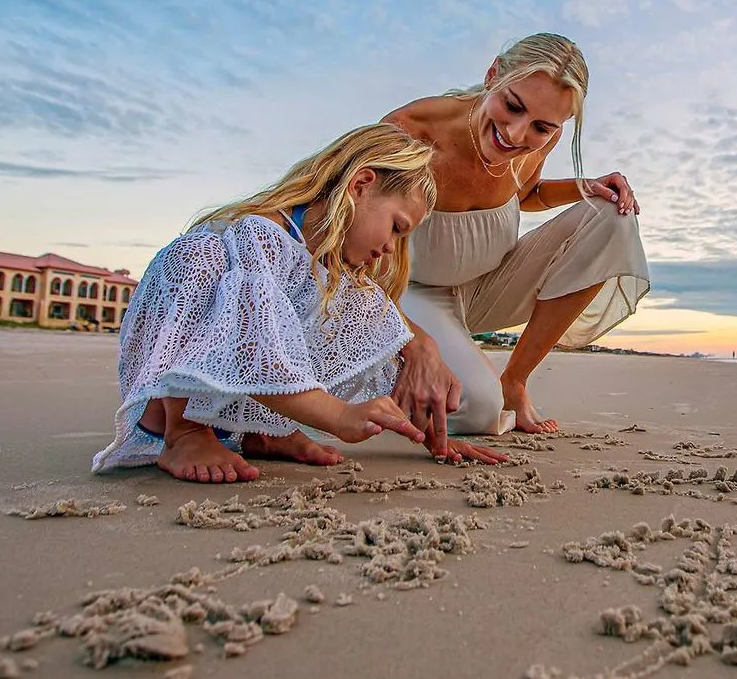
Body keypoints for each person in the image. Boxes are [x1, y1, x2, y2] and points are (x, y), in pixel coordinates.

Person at [92, 123, 506, 483]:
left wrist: (430, 435)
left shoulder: (325, 267)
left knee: (347, 309)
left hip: (232, 413)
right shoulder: (261, 234)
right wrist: (340, 416)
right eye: (397, 228)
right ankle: (183, 435)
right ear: (361, 185)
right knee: (201, 255)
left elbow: (378, 341)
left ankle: (262, 430)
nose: (391, 248)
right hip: (165, 411)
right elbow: (254, 351)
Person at [384, 33, 650, 451]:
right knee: (476, 410)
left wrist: (587, 186)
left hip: (491, 283)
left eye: (542, 127)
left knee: (612, 217)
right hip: (415, 295)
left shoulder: (541, 138)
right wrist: (415, 343)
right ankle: (386, 382)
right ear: (493, 75)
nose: (515, 132)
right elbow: (351, 248)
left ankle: (516, 379)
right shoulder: (409, 131)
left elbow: (527, 194)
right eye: (512, 105)